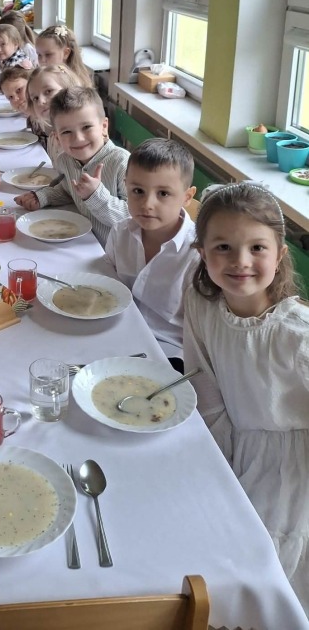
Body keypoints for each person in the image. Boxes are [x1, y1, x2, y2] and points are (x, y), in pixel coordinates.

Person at [183, 181, 309, 610]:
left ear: (280, 254)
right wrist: (216, 462)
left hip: (288, 471)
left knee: (261, 573)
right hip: (226, 442)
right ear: (202, 253)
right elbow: (204, 382)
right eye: (223, 247)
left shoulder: (297, 335)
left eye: (257, 248)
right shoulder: (200, 303)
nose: (240, 261)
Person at [105, 139, 198, 367]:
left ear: (187, 197)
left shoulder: (198, 254)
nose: (147, 204)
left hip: (169, 353)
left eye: (163, 193)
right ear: (126, 186)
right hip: (117, 336)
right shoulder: (120, 233)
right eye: (138, 191)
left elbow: (201, 332)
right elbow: (108, 289)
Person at [15, 87, 129, 245]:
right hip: (80, 242)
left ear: (104, 126)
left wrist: (95, 195)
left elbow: (132, 218)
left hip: (114, 252)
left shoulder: (122, 162)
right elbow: (67, 191)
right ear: (57, 137)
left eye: (86, 127)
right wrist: (43, 197)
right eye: (66, 132)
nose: (78, 138)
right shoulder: (65, 161)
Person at [25, 64, 84, 159]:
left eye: (48, 91)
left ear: (69, 88)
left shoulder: (82, 133)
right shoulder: (51, 132)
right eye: (35, 98)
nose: (41, 101)